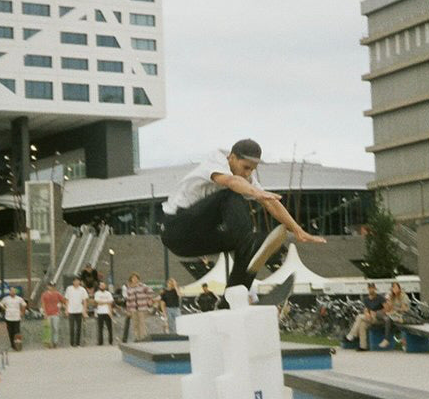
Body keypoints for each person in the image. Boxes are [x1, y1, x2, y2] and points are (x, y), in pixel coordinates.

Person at [161, 138, 325, 299]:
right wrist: (256, 193)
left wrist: (297, 230)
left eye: (252, 170)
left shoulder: (246, 180)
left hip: (193, 241)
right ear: (231, 157)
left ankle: (231, 299)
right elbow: (231, 181)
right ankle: (248, 241)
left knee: (247, 248)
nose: (247, 173)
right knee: (231, 194)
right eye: (245, 167)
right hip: (176, 229)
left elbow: (271, 203)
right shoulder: (215, 163)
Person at [346, 282, 387, 350]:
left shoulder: (380, 298)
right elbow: (365, 309)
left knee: (359, 317)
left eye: (372, 288)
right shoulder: (366, 299)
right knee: (362, 324)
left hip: (378, 318)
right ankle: (363, 346)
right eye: (370, 288)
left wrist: (376, 312)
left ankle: (352, 335)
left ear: (375, 289)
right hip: (369, 318)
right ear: (368, 289)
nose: (371, 290)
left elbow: (386, 309)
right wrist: (367, 314)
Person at [381, 281, 411, 346]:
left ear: (399, 288)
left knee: (389, 319)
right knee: (386, 318)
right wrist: (388, 300)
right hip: (395, 315)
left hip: (404, 315)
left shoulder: (403, 296)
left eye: (395, 287)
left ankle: (388, 339)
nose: (394, 289)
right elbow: (389, 309)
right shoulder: (392, 297)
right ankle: (386, 339)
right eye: (392, 288)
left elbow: (404, 309)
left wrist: (395, 310)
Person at [125, 272, 153, 341]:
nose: (134, 279)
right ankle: (137, 337)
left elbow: (151, 292)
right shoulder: (129, 288)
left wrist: (148, 299)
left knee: (142, 323)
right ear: (131, 279)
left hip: (142, 307)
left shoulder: (143, 286)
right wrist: (128, 310)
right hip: (133, 308)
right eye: (133, 278)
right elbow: (128, 300)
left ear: (138, 279)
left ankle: (143, 337)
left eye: (136, 278)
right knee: (135, 324)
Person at [40, 281, 66, 349]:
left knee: (55, 328)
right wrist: (44, 313)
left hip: (56, 314)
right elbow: (43, 304)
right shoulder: (44, 294)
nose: (51, 287)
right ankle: (48, 342)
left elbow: (64, 301)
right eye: (50, 285)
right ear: (47, 286)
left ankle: (55, 342)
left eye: (53, 286)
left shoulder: (57, 294)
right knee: (48, 329)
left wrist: (61, 306)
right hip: (48, 314)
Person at [0, 286, 26, 351]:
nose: (12, 292)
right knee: (10, 332)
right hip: (8, 317)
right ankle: (12, 345)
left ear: (15, 292)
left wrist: (22, 312)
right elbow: (0, 304)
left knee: (17, 332)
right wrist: (5, 309)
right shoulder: (6, 298)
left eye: (14, 291)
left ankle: (18, 345)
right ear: (9, 292)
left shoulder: (19, 299)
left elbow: (24, 305)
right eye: (11, 291)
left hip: (16, 317)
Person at [64, 276, 88, 346]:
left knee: (79, 328)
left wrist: (84, 311)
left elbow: (85, 301)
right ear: (73, 282)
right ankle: (72, 343)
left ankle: (77, 343)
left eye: (78, 281)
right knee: (72, 328)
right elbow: (67, 300)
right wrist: (66, 309)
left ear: (80, 282)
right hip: (71, 310)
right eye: (75, 281)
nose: (77, 282)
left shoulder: (82, 290)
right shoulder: (69, 289)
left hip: (79, 311)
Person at [93, 279, 115, 345]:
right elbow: (97, 302)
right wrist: (106, 302)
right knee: (100, 328)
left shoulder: (108, 293)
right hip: (100, 312)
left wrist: (110, 311)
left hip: (107, 312)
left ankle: (110, 341)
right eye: (101, 285)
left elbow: (110, 302)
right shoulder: (97, 293)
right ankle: (100, 342)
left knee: (110, 328)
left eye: (103, 285)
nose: (102, 286)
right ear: (99, 286)